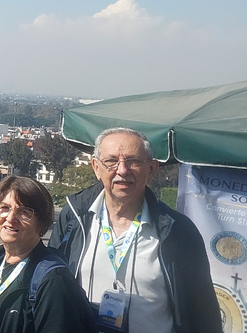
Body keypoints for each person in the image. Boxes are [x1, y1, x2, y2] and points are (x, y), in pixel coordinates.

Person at [48, 127, 221, 333]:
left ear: (152, 168)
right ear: (96, 167)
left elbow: (202, 312)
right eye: (111, 161)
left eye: (134, 161)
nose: (122, 170)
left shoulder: (179, 231)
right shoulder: (74, 217)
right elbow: (51, 286)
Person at [0, 175, 95, 333]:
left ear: (41, 222)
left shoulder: (54, 281)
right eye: (4, 208)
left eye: (24, 212)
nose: (11, 218)